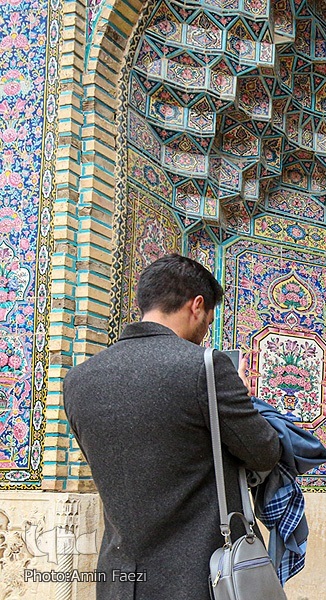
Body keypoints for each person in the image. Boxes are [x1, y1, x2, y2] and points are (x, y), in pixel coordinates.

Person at [63, 254, 282, 600]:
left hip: (118, 582)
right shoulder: (206, 369)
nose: (204, 333)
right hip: (195, 580)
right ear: (197, 306)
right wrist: (239, 395)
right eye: (208, 322)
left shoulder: (77, 380)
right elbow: (263, 451)